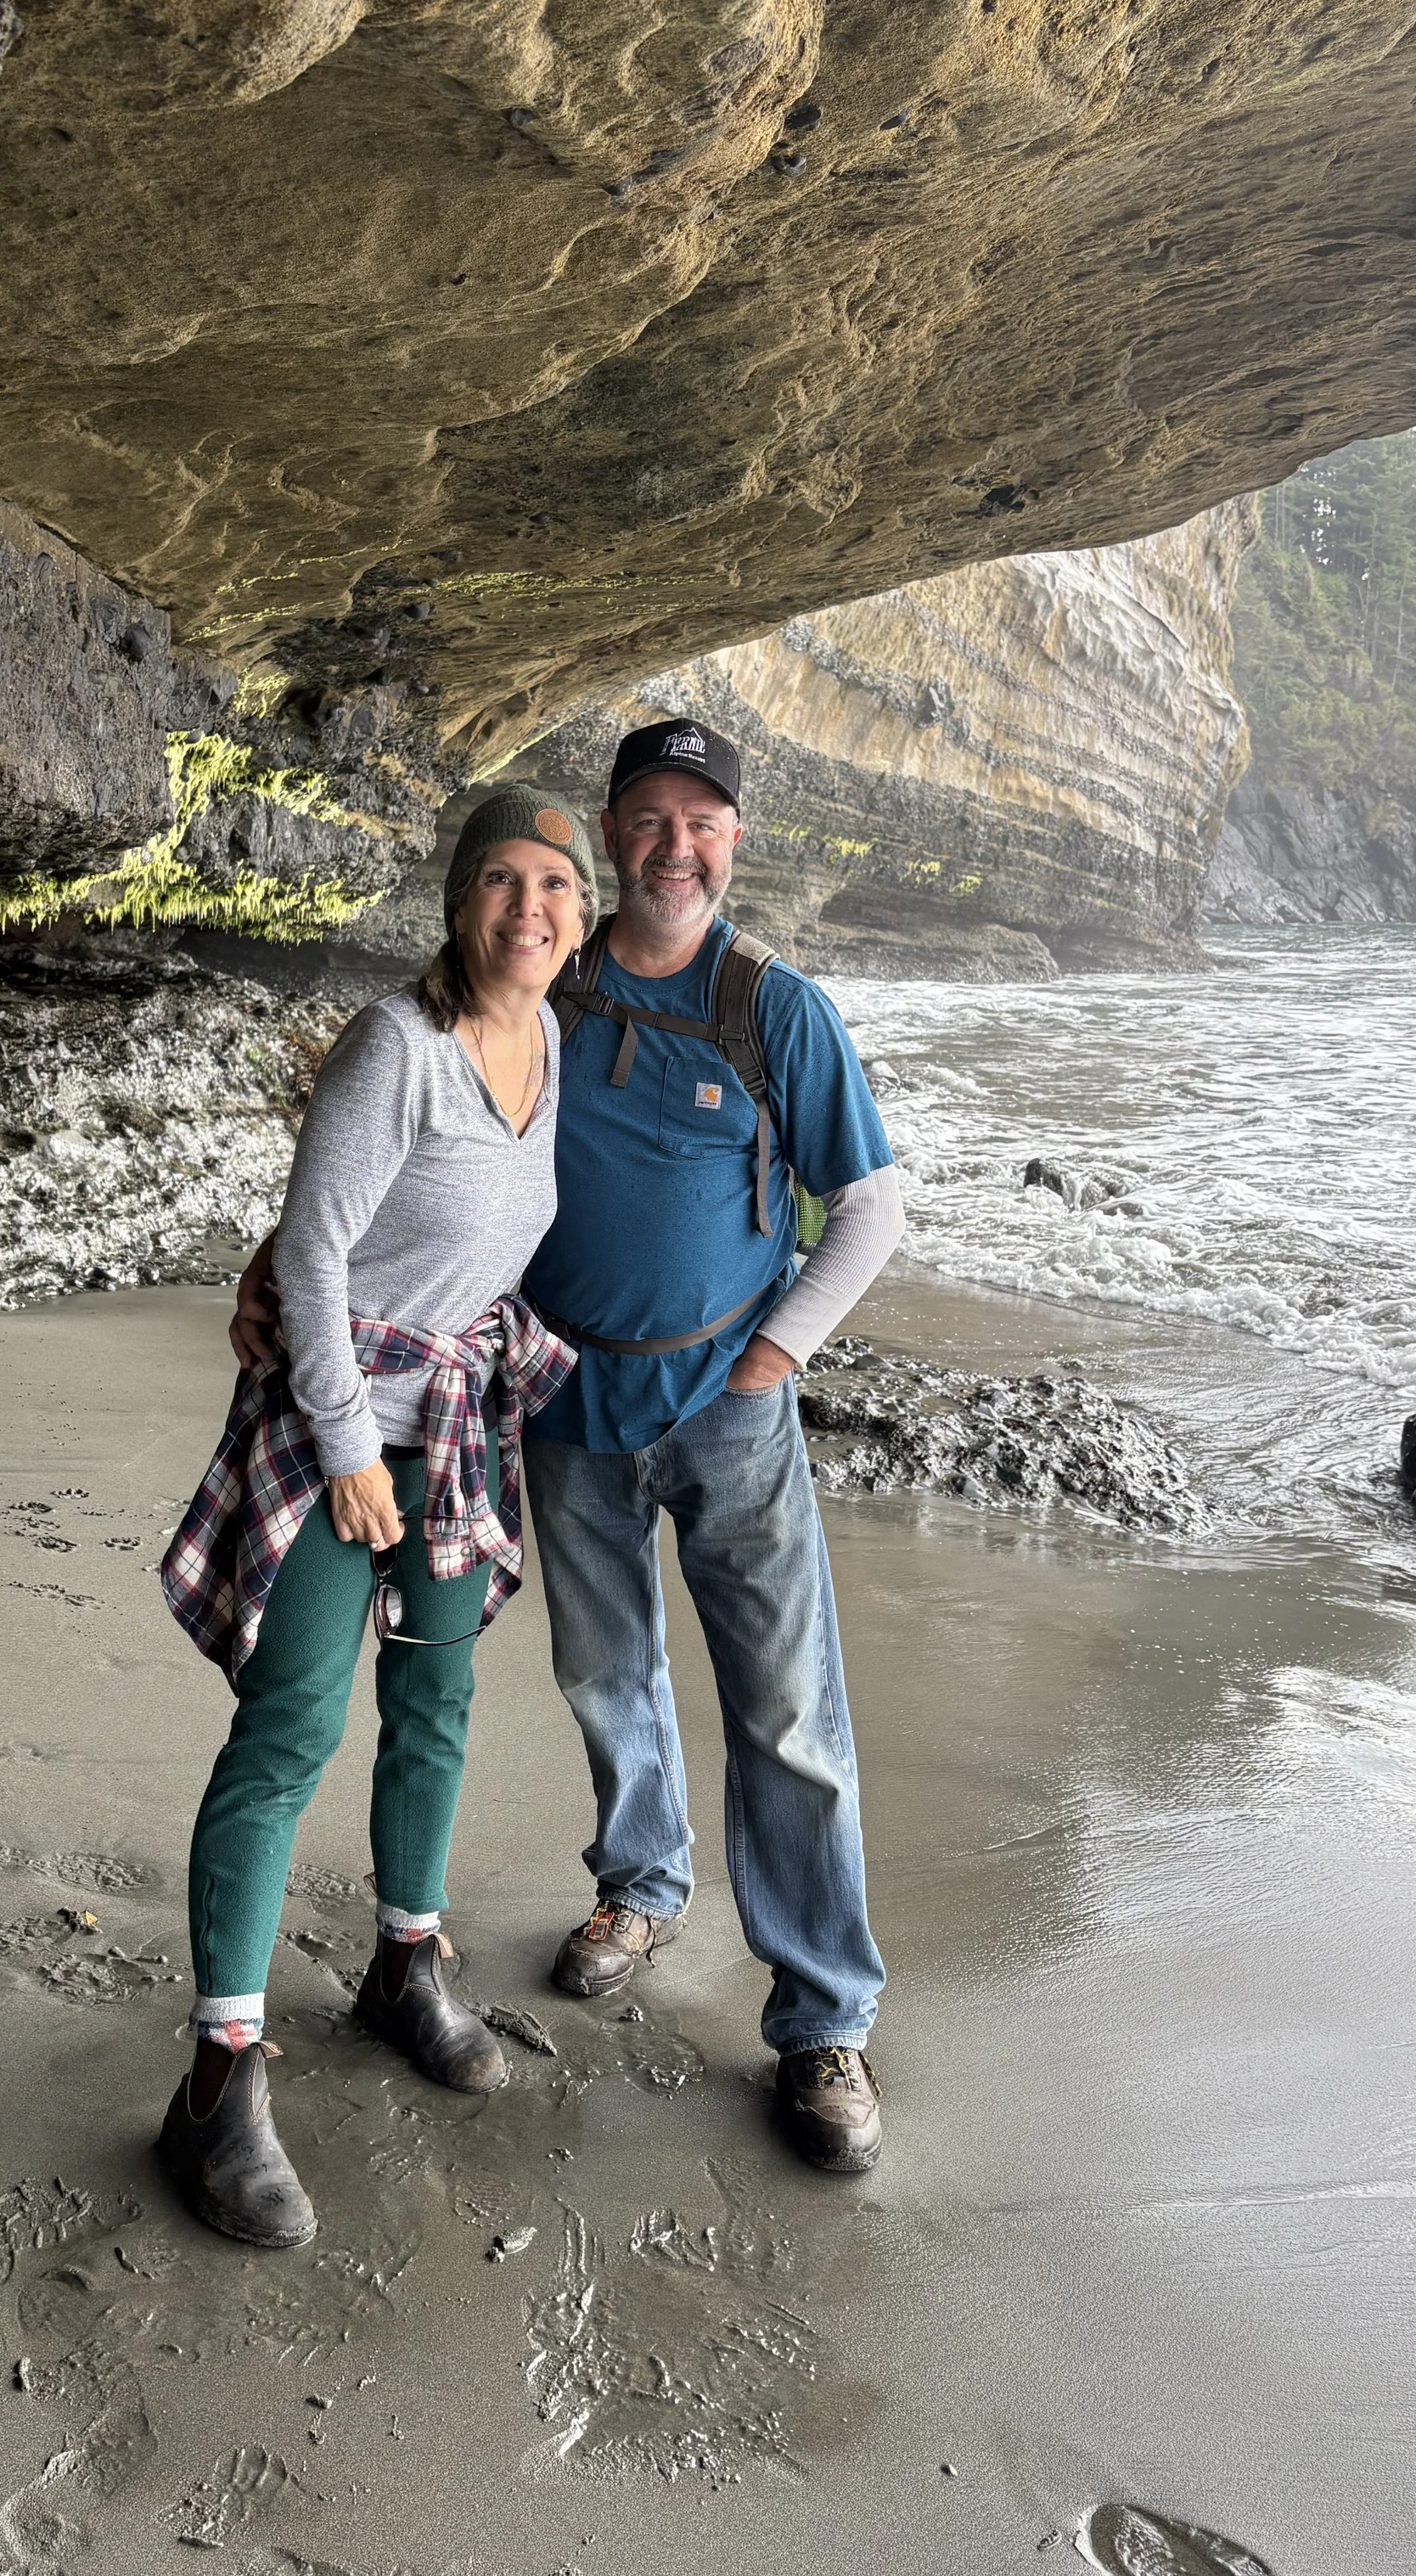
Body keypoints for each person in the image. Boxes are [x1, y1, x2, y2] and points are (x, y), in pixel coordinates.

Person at [236, 717, 907, 2174]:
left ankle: (823, 2023)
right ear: (611, 838)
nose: (677, 844)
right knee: (605, 1674)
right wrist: (281, 1268)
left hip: (729, 1415)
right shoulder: (549, 979)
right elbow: (411, 1157)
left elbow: (870, 1208)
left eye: (704, 822)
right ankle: (640, 1889)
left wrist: (772, 1362)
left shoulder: (773, 1007)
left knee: (787, 1717)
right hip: (555, 1412)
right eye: (650, 818)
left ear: (735, 841)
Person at [155, 785, 593, 2247]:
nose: (528, 908)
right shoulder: (396, 1048)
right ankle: (220, 2073)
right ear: (457, 898)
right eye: (502, 882)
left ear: (578, 918)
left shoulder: (554, 1047)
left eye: (554, 885)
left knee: (440, 1698)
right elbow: (317, 1246)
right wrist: (348, 1444)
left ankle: (407, 1963)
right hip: (346, 1432)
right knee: (289, 1729)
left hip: (456, 1432)